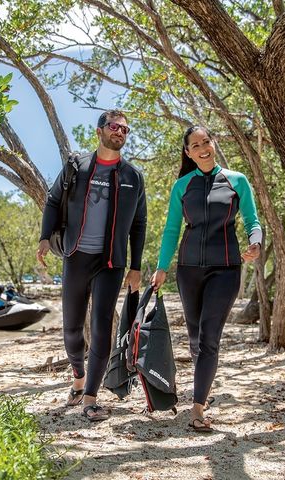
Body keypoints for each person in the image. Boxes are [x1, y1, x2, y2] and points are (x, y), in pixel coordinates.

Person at [37, 110, 147, 422]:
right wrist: (46, 237)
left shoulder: (132, 177)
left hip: (110, 262)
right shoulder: (77, 166)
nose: (120, 132)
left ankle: (91, 397)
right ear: (99, 131)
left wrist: (136, 266)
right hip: (75, 256)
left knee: (101, 330)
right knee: (71, 329)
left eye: (125, 129)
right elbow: (53, 200)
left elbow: (139, 223)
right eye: (115, 127)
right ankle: (78, 377)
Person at [151, 125, 261, 432]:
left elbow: (253, 221)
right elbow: (172, 229)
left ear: (213, 143)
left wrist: (256, 243)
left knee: (210, 338)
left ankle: (197, 408)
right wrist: (162, 266)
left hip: (226, 269)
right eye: (195, 145)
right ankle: (204, 390)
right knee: (196, 338)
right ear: (188, 152)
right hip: (188, 270)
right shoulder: (182, 186)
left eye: (206, 142)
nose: (203, 148)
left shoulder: (236, 180)